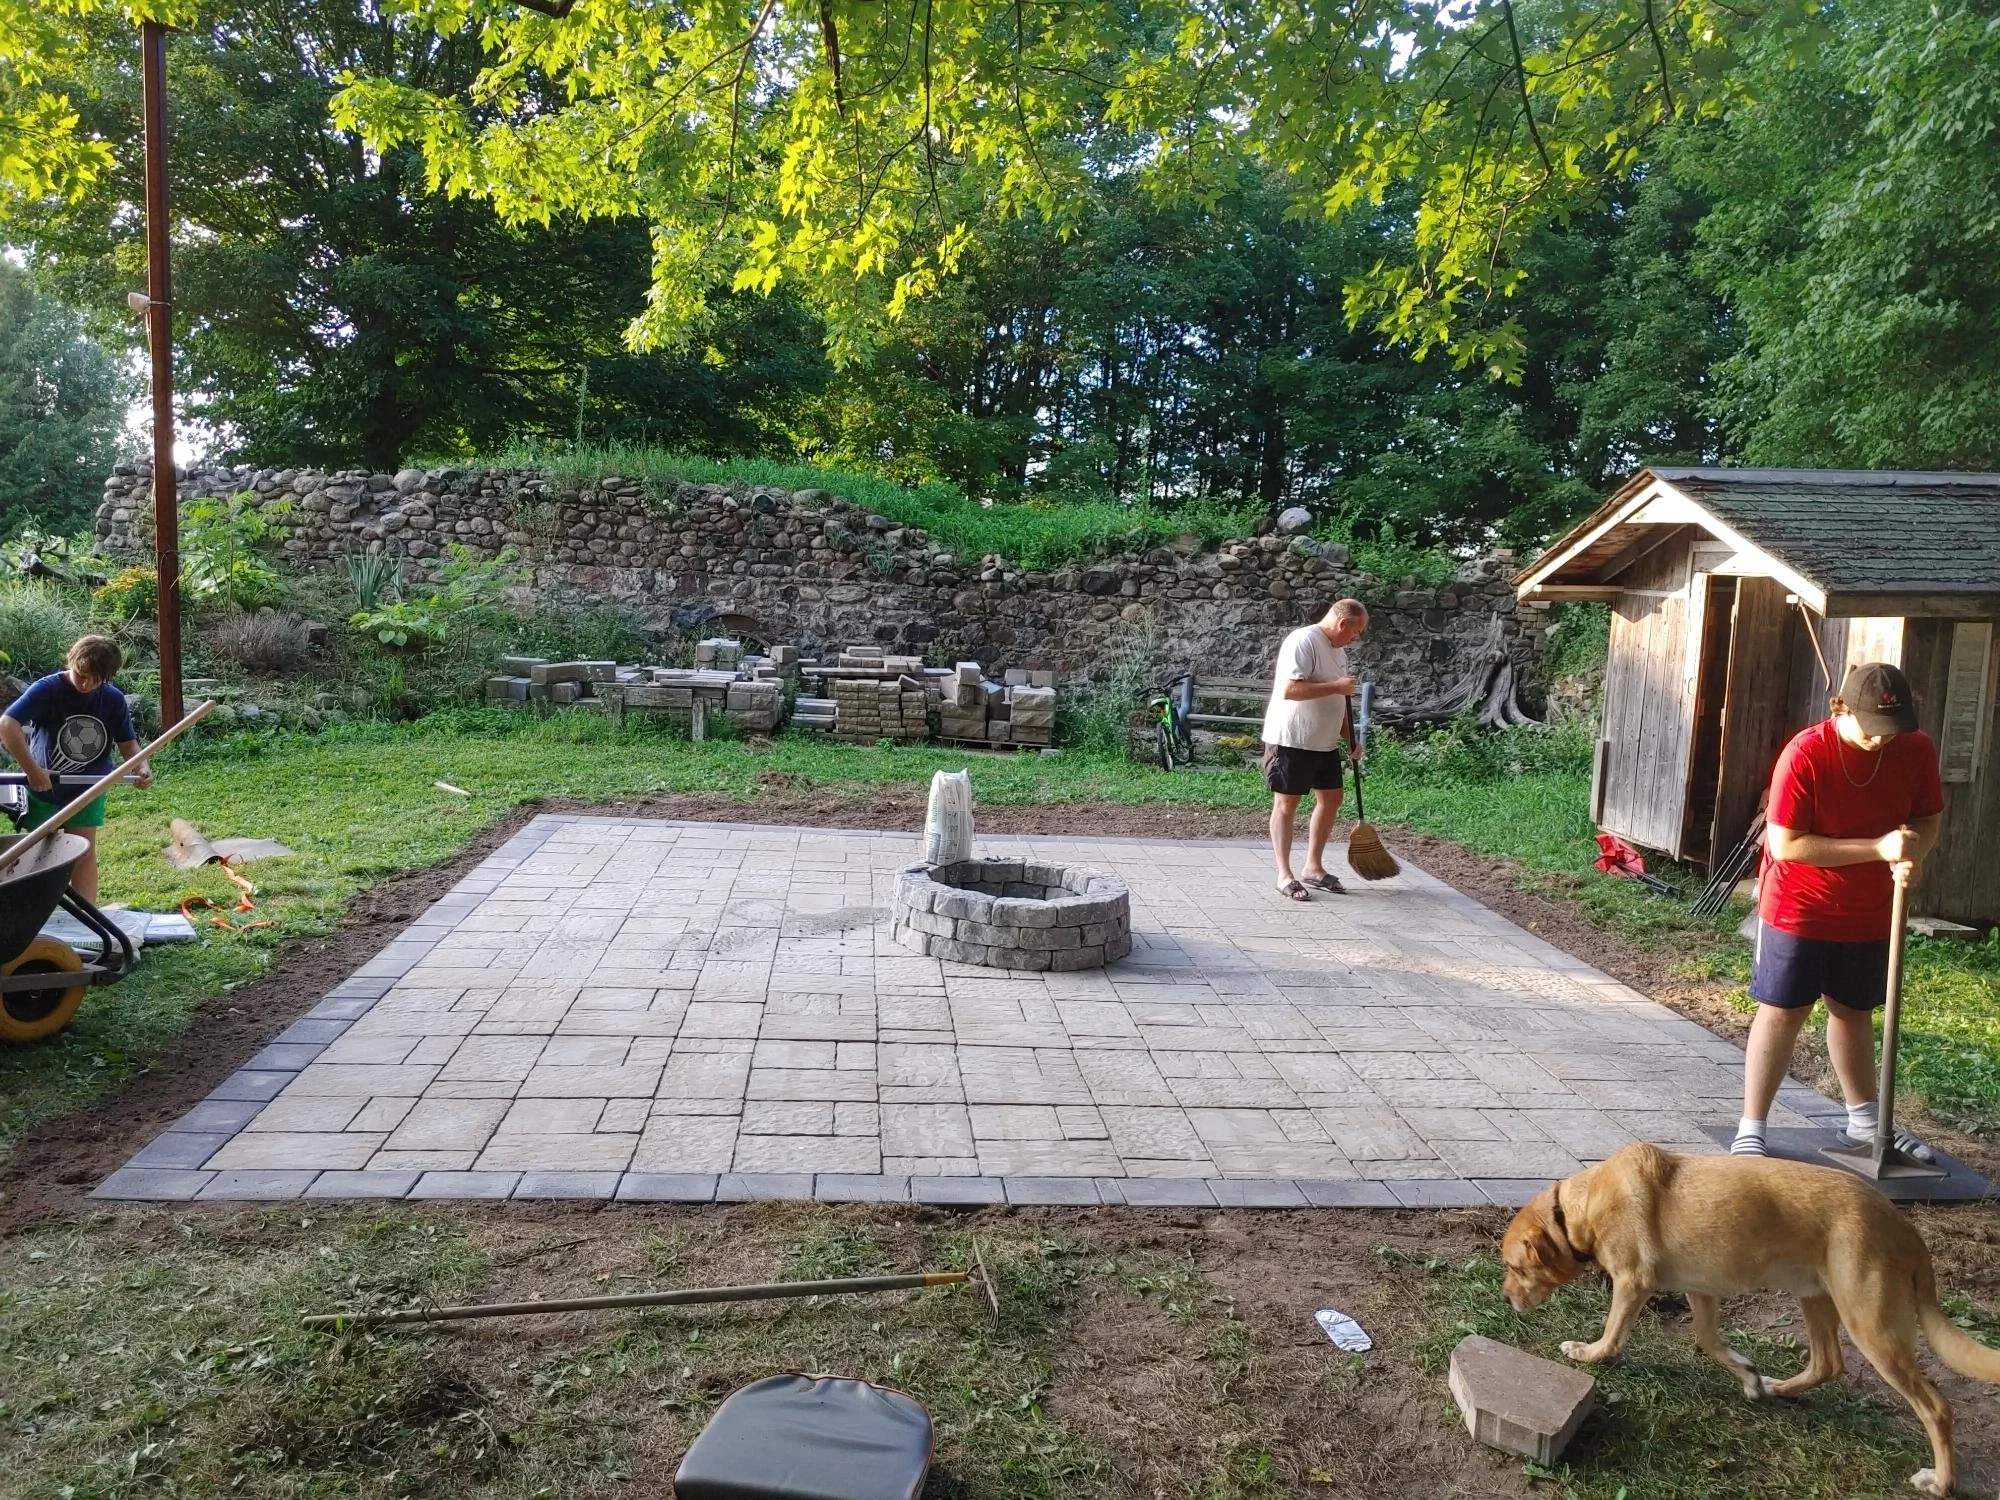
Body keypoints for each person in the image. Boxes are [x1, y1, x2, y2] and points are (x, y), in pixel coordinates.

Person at [1732, 662, 1943, 1161]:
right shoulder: (1805, 753)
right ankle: (1751, 1127)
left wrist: (1914, 854)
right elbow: (1786, 844)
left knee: (1852, 1009)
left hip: (1870, 907)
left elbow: (1927, 817)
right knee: (1784, 1009)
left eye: (1891, 729)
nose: (1881, 739)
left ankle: (1865, 1122)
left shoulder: (1914, 748)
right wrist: (1878, 849)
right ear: (1841, 709)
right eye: (1872, 727)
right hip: (1799, 904)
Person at [0, 634, 150, 901]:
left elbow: (128, 744)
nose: (87, 684)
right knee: (38, 853)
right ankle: (33, 913)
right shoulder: (47, 690)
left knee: (83, 852)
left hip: (88, 788)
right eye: (82, 675)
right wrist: (32, 771)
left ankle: (85, 915)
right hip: (43, 787)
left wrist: (141, 766)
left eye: (96, 679)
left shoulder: (112, 699)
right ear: (70, 661)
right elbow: (7, 725)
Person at [1261, 598, 1367, 901]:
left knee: (1332, 799)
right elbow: (1290, 689)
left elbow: (1341, 699)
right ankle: (1284, 875)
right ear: (1343, 624)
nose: (1356, 638)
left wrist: (1349, 737)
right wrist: (1337, 686)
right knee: (1286, 803)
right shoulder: (1303, 641)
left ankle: (1313, 867)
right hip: (1292, 738)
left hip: (1325, 741)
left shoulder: (1338, 651)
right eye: (1356, 632)